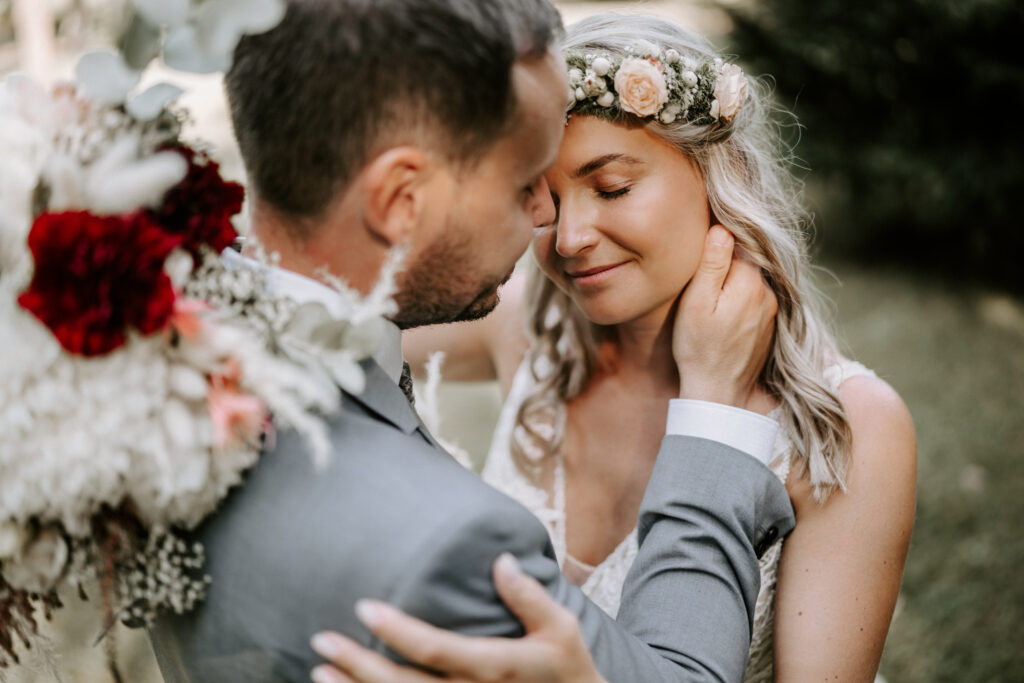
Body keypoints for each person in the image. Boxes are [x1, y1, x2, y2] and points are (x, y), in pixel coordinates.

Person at [148, 2, 794, 682]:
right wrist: (717, 415)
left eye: (608, 187)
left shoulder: (155, 362)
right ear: (401, 199)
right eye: (526, 185)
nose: (553, 223)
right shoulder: (453, 546)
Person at [316, 12, 917, 683]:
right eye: (541, 197)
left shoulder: (846, 428)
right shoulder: (519, 328)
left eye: (612, 188)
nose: (569, 238)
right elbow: (324, 325)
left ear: (723, 171)